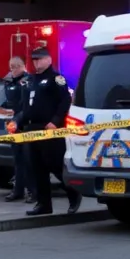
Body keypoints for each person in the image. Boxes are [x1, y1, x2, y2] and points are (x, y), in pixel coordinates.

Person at [15, 46, 81, 216]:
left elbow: (65, 101)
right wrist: (18, 122)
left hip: (49, 128)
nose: (36, 63)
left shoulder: (56, 79)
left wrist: (55, 121)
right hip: (32, 128)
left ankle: (73, 194)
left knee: (55, 165)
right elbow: (27, 105)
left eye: (39, 59)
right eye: (34, 60)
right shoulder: (30, 80)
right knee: (36, 167)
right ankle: (43, 204)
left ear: (48, 59)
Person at [0, 57, 36, 204]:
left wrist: (17, 119)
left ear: (23, 66)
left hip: (26, 125)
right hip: (14, 126)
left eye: (15, 66)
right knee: (18, 160)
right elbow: (8, 102)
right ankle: (18, 190)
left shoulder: (28, 81)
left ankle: (32, 192)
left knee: (29, 161)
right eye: (11, 66)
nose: (13, 69)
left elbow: (27, 106)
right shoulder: (9, 83)